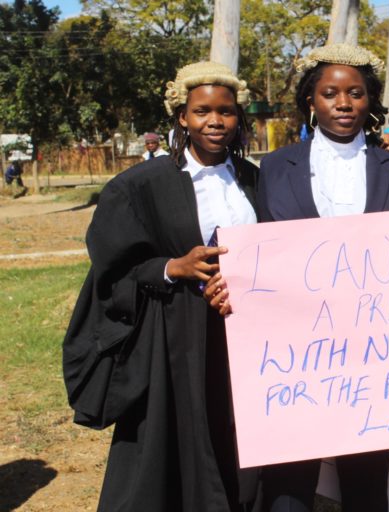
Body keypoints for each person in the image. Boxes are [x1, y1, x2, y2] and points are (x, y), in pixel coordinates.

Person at [62, 61, 260, 511]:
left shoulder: (253, 180)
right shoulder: (138, 186)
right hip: (173, 335)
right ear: (181, 118)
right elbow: (112, 269)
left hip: (245, 333)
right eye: (202, 111)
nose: (215, 121)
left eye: (226, 112)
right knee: (170, 442)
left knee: (237, 434)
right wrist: (173, 267)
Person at [242, 44, 389, 512]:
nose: (344, 103)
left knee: (366, 479)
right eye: (330, 93)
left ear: (370, 101)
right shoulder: (276, 167)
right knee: (288, 478)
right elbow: (260, 249)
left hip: (373, 349)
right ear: (310, 101)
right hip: (294, 351)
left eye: (356, 93)